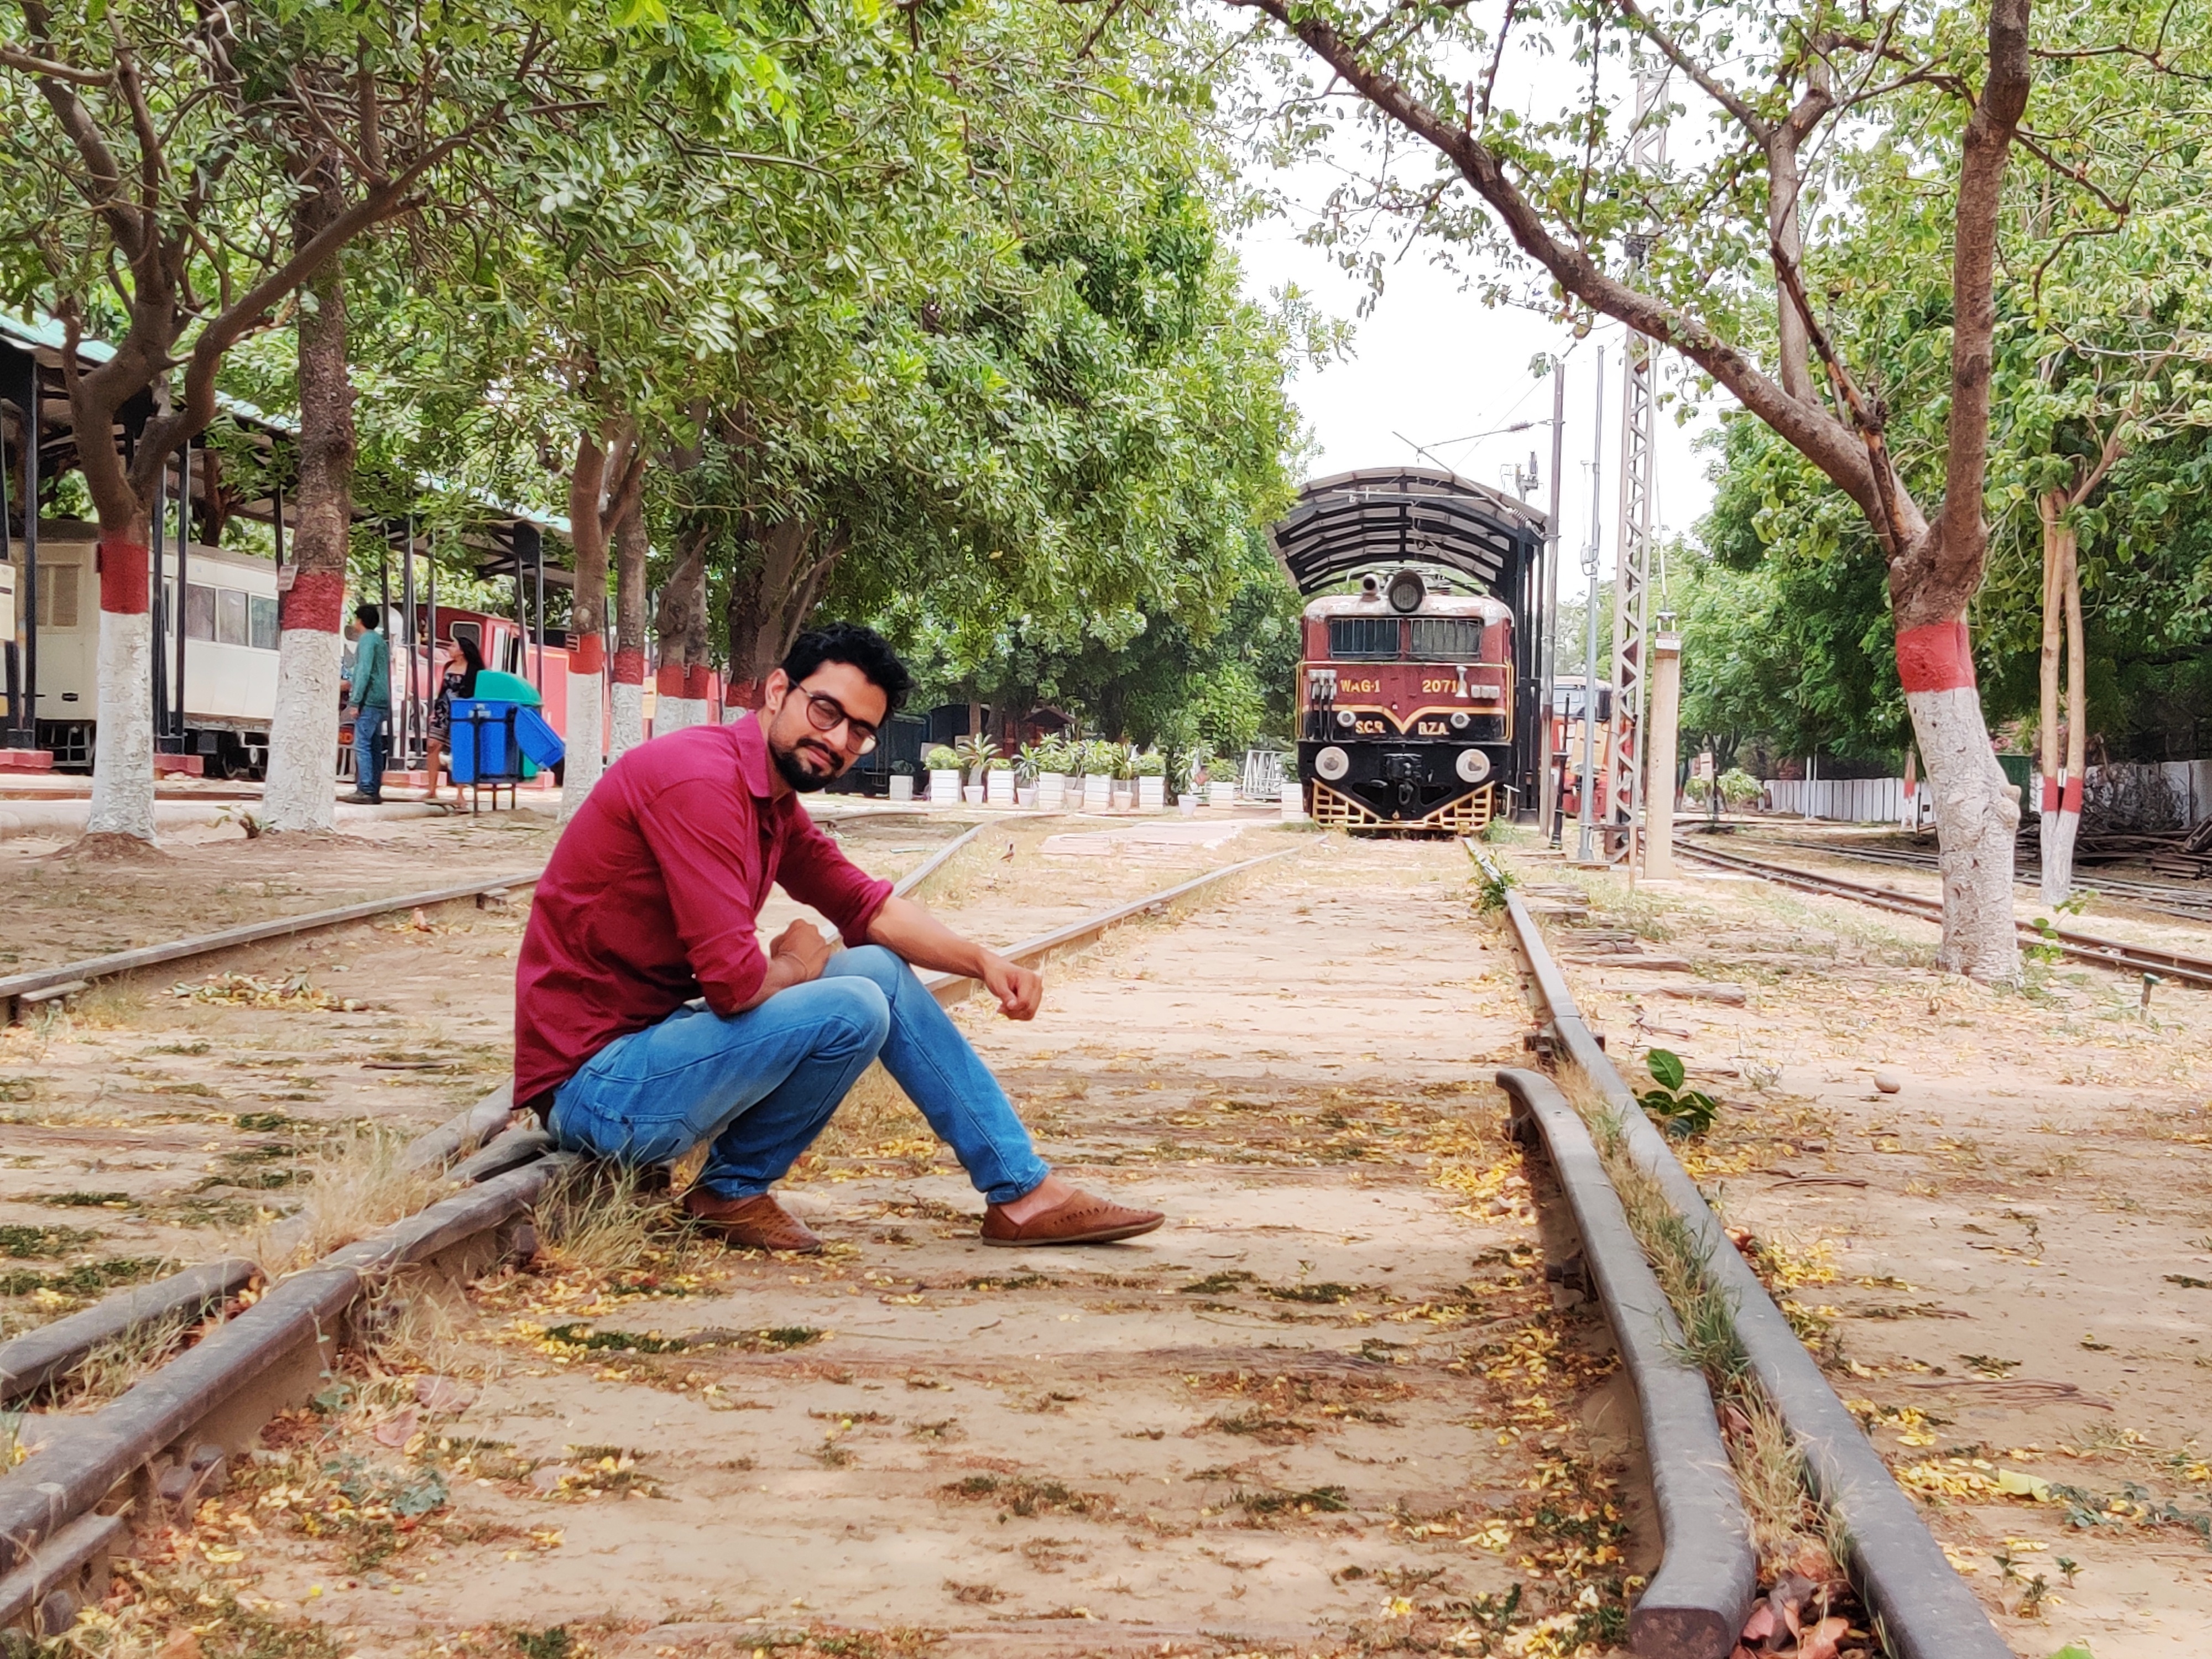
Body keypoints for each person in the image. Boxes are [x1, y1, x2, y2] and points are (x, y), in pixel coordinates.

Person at [513, 622, 1164, 1253]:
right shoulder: (699, 782)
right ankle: (734, 1188)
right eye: (826, 711)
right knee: (852, 1005)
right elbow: (733, 986)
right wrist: (799, 964)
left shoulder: (769, 799)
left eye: (859, 731)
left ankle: (1020, 1190)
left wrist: (982, 962)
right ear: (778, 691)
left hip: (652, 1059)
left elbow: (866, 907)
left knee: (875, 969)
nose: (837, 740)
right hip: (596, 1091)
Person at [424, 634, 486, 803]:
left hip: (461, 714)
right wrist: (435, 709)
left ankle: (460, 794)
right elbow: (443, 690)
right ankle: (431, 789)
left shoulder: (474, 670)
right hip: (443, 711)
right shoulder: (448, 666)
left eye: (453, 646)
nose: (449, 648)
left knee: (459, 750)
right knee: (432, 745)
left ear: (462, 651)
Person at [341, 604, 391, 805]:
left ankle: (366, 788)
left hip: (369, 700)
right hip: (381, 699)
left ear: (360, 620)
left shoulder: (367, 640)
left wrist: (355, 701)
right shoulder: (380, 641)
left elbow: (363, 671)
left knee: (362, 745)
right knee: (375, 746)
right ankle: (374, 788)